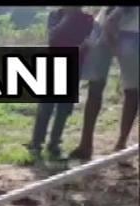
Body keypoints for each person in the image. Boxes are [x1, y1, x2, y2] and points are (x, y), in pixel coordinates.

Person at [26, 6, 95, 162]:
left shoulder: (87, 19)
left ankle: (54, 143)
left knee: (64, 108)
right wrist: (67, 19)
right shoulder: (55, 15)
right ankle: (36, 143)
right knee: (46, 106)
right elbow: (52, 36)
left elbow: (87, 44)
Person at [69, 6, 138, 161]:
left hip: (124, 28)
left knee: (126, 90)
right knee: (129, 90)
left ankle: (92, 145)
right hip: (114, 26)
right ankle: (115, 145)